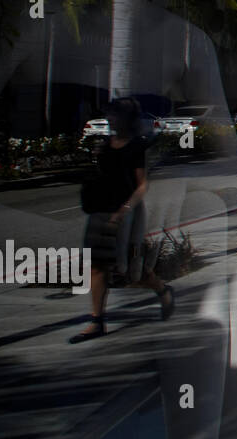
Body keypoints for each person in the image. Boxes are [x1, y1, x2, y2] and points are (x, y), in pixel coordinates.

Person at [71, 97, 174, 343]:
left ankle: (162, 290)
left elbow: (142, 185)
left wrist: (124, 210)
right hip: (100, 213)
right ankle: (97, 321)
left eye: (114, 114)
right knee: (97, 266)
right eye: (109, 114)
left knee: (130, 271)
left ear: (125, 118)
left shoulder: (137, 146)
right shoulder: (105, 145)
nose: (109, 118)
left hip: (126, 215)